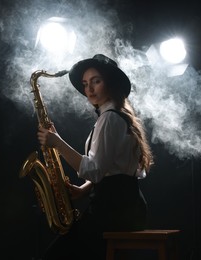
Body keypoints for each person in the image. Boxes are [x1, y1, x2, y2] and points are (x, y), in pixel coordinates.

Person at [37, 54, 154, 260]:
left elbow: (95, 170)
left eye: (96, 81)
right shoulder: (116, 117)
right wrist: (84, 189)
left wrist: (57, 142)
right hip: (127, 206)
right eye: (85, 84)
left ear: (110, 85)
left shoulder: (109, 119)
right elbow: (111, 168)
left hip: (114, 210)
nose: (89, 89)